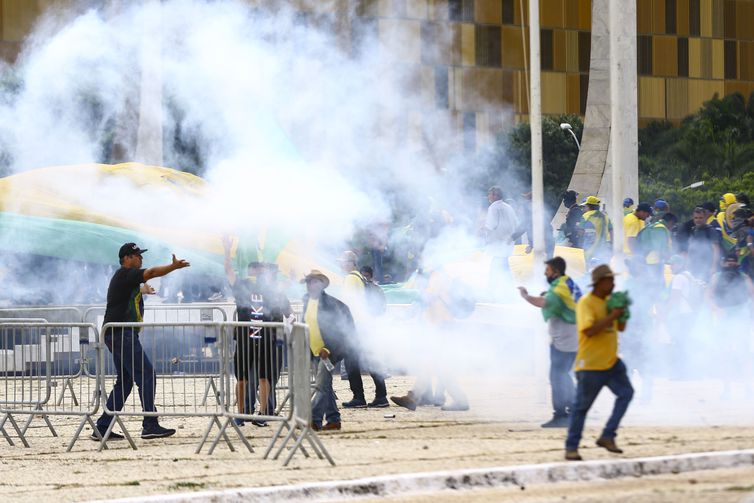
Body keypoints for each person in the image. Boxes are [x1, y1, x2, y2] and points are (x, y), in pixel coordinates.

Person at [93, 243, 190, 441]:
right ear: (127, 258)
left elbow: (129, 293)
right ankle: (150, 424)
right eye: (137, 256)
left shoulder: (125, 279)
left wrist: (142, 291)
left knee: (126, 381)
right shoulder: (125, 274)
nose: (141, 259)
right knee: (146, 375)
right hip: (121, 334)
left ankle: (102, 427)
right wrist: (173, 267)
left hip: (117, 334)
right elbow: (153, 272)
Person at [565, 264, 633, 461]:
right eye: (609, 280)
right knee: (581, 408)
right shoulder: (586, 303)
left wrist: (622, 313)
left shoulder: (610, 301)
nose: (613, 284)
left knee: (626, 393)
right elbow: (588, 330)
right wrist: (613, 315)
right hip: (591, 365)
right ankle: (571, 447)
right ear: (599, 283)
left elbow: (620, 328)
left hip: (611, 362)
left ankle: (608, 435)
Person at [222, 236, 292, 427]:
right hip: (246, 338)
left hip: (266, 339)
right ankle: (242, 414)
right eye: (255, 269)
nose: (258, 273)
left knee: (264, 377)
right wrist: (227, 251)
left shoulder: (269, 289)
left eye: (260, 270)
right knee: (242, 378)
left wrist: (289, 279)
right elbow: (228, 271)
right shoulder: (242, 285)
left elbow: (282, 301)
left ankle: (262, 414)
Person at [518, 257, 581, 428]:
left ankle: (561, 415)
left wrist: (525, 296)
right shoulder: (566, 282)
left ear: (556, 271)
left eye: (548, 270)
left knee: (557, 376)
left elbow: (544, 302)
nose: (545, 273)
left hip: (565, 337)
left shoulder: (559, 287)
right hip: (571, 335)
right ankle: (575, 409)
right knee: (564, 374)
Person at [302, 270, 354, 431]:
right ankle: (334, 420)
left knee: (321, 386)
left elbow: (337, 330)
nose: (312, 285)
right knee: (326, 386)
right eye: (310, 282)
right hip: (314, 350)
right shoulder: (306, 300)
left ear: (322, 284)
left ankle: (314, 420)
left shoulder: (330, 304)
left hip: (328, 351)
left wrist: (328, 348)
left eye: (316, 282)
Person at [337, 251, 388, 409]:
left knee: (352, 362)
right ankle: (381, 395)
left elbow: (349, 304)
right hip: (364, 324)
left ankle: (359, 397)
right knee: (370, 359)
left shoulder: (351, 278)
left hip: (355, 325)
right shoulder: (359, 277)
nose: (341, 264)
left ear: (350, 263)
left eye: (343, 261)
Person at [483, 186, 519, 288]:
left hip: (498, 244)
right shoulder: (508, 207)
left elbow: (491, 226)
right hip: (508, 243)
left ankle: (492, 290)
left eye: (489, 194)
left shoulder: (493, 207)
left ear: (495, 195)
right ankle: (508, 290)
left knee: (496, 267)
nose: (488, 197)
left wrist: (483, 230)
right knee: (503, 266)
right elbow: (516, 223)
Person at [687, 207, 721, 282]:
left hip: (707, 266)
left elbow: (716, 249)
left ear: (705, 218)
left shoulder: (710, 230)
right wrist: (688, 263)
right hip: (695, 266)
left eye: (700, 218)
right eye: (696, 218)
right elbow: (690, 247)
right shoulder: (693, 230)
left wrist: (714, 266)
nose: (698, 220)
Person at [579, 196, 612, 263]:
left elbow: (581, 232)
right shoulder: (605, 216)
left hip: (589, 249)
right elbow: (611, 231)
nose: (582, 209)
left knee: (588, 270)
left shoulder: (585, 216)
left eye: (584, 207)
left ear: (588, 206)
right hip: (604, 250)